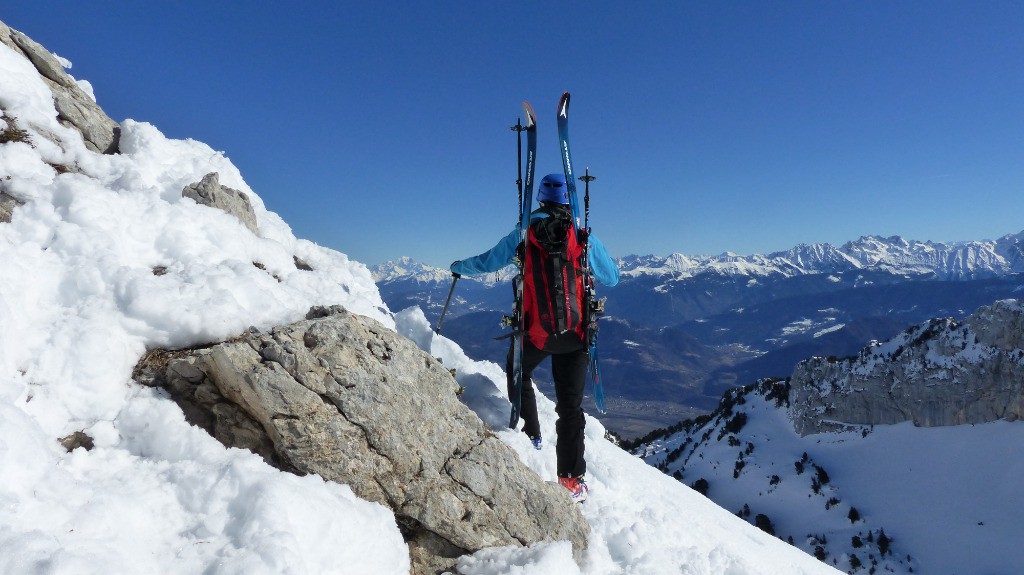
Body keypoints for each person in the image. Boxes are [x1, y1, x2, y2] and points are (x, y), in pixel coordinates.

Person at [451, 173, 619, 502]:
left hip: (537, 334)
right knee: (570, 408)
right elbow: (611, 277)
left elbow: (486, 262)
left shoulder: (524, 233)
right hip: (576, 334)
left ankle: (531, 436)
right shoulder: (583, 236)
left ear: (539, 199)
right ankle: (571, 481)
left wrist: (458, 266)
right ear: (569, 201)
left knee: (518, 368)